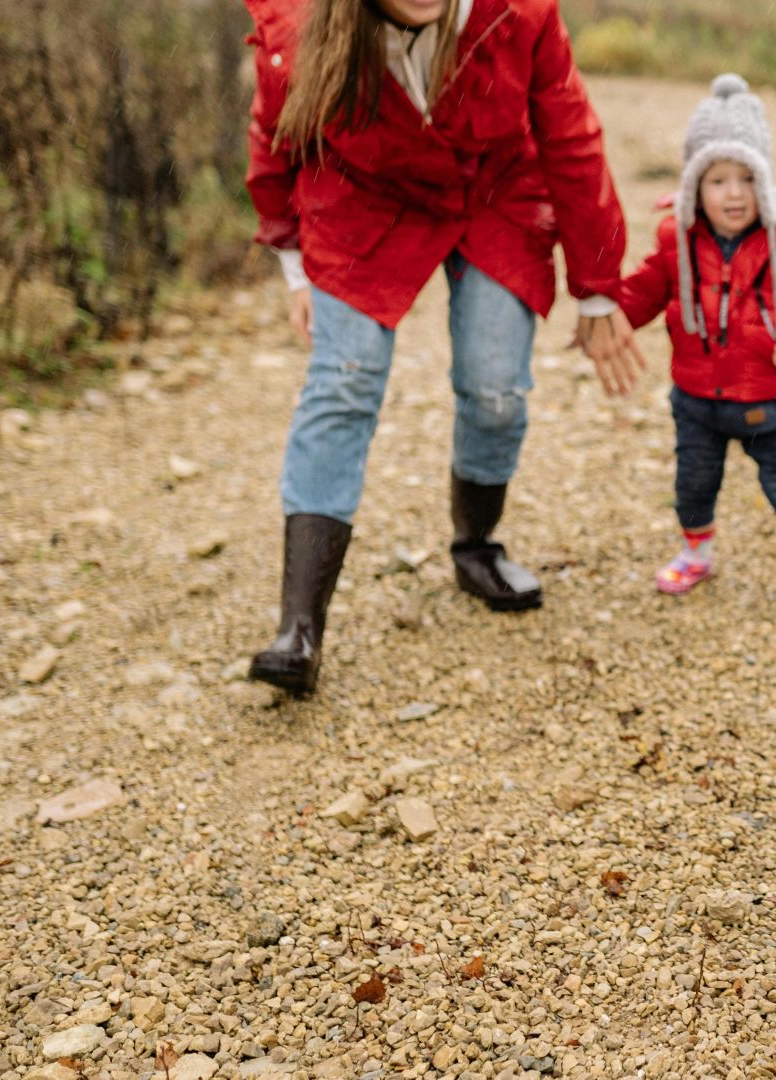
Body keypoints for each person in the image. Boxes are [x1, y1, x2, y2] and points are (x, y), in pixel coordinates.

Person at [241, 0, 644, 693]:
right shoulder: (299, 27)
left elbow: (571, 138)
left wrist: (599, 286)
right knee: (344, 381)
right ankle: (299, 627)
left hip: (493, 193)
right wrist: (293, 264)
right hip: (361, 199)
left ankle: (476, 547)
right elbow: (274, 136)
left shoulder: (521, 13)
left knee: (495, 392)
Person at [619, 75, 776, 616]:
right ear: (695, 185)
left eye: (747, 177)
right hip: (696, 396)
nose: (735, 192)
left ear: (766, 181)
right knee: (693, 483)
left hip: (772, 398)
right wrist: (609, 315)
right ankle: (695, 550)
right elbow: (648, 287)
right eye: (718, 179)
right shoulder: (678, 240)